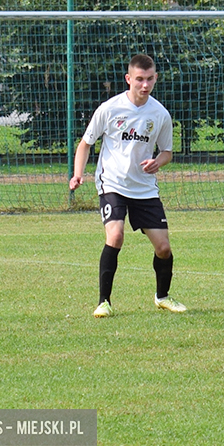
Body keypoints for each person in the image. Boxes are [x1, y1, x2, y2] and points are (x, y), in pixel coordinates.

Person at [69, 53, 187, 318]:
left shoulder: (159, 114)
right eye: (139, 80)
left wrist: (159, 162)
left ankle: (162, 296)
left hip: (144, 188)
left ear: (155, 78)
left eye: (149, 79)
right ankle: (104, 302)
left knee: (164, 248)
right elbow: (86, 143)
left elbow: (167, 151)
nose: (144, 85)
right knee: (116, 235)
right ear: (128, 79)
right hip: (113, 183)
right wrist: (78, 174)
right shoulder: (109, 109)